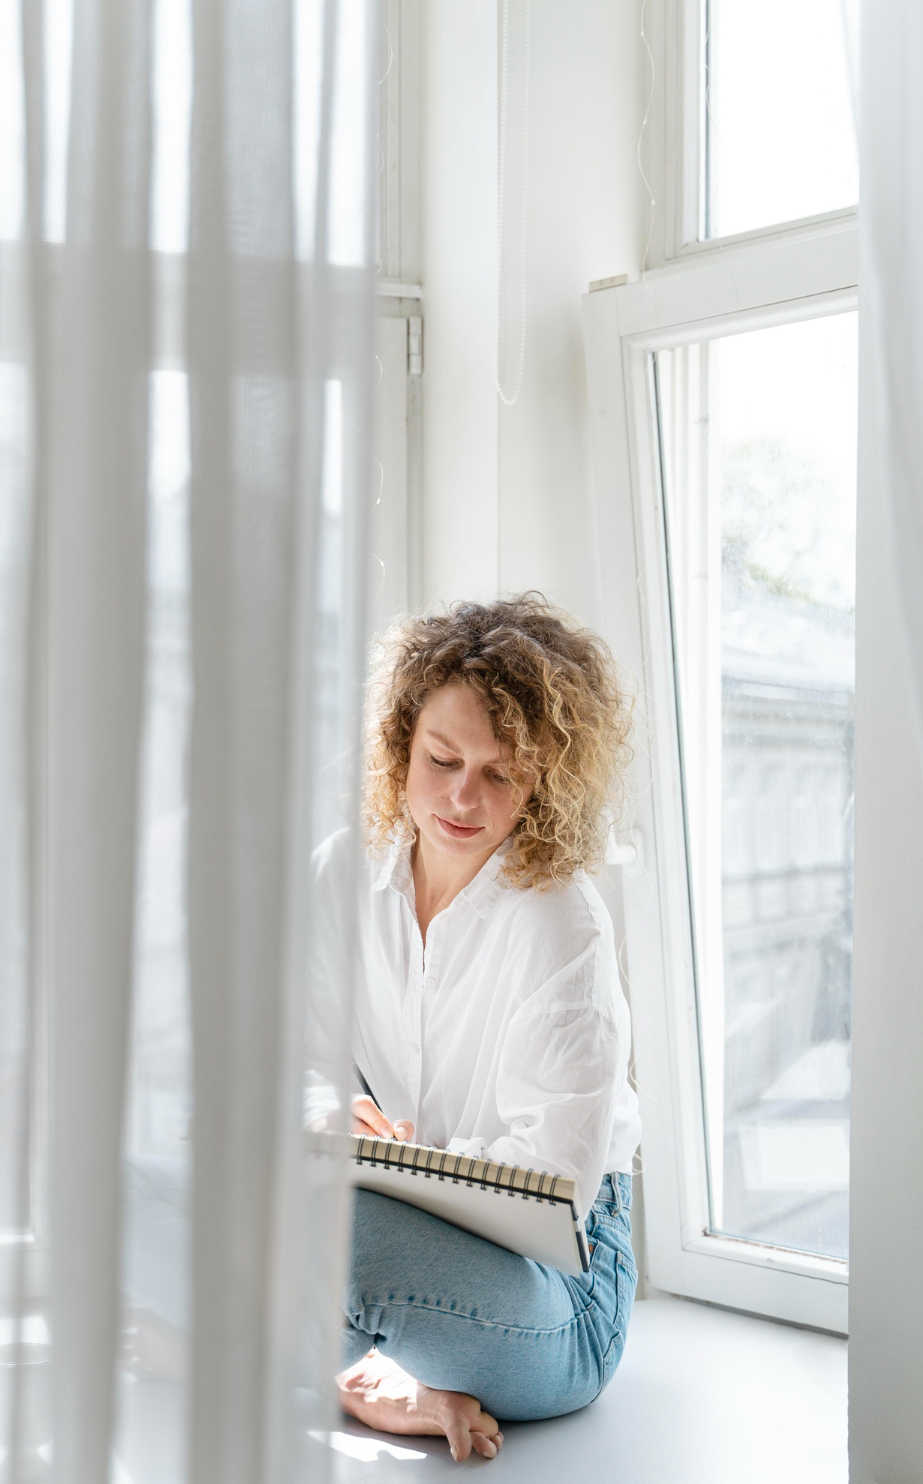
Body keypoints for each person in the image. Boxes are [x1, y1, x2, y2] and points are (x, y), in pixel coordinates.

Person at [310, 594, 641, 1463]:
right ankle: (378, 1383)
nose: (462, 798)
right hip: (401, 1220)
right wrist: (329, 1110)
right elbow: (289, 1059)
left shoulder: (560, 920)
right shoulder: (342, 873)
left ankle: (341, 1367)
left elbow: (553, 1188)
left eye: (501, 773)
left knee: (344, 1239)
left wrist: (389, 1178)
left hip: (564, 1288)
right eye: (443, 759)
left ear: (543, 782)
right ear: (400, 749)